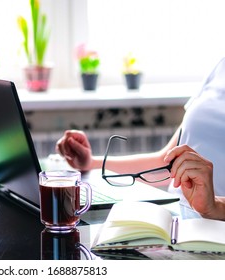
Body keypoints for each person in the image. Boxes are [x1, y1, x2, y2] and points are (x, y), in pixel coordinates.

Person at [56, 57, 225, 221]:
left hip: (215, 233)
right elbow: (165, 163)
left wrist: (215, 207)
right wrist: (91, 164)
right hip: (175, 221)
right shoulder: (220, 67)